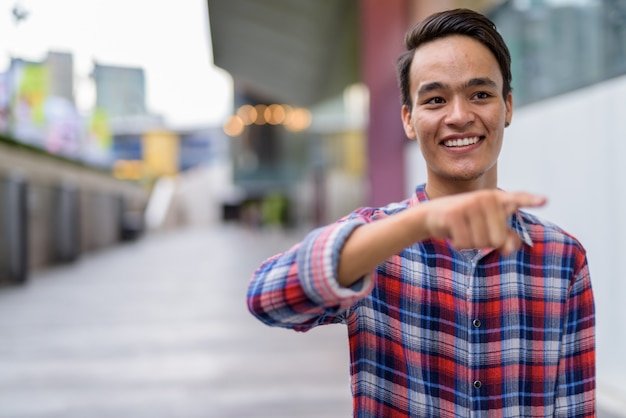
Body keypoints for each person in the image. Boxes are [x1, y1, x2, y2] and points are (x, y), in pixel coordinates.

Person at [247, 8, 595, 417]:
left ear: (508, 107)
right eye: (435, 99)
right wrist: (420, 222)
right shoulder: (375, 241)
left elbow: (575, 409)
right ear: (409, 120)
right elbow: (266, 299)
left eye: (480, 94)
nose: (460, 116)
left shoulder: (562, 258)